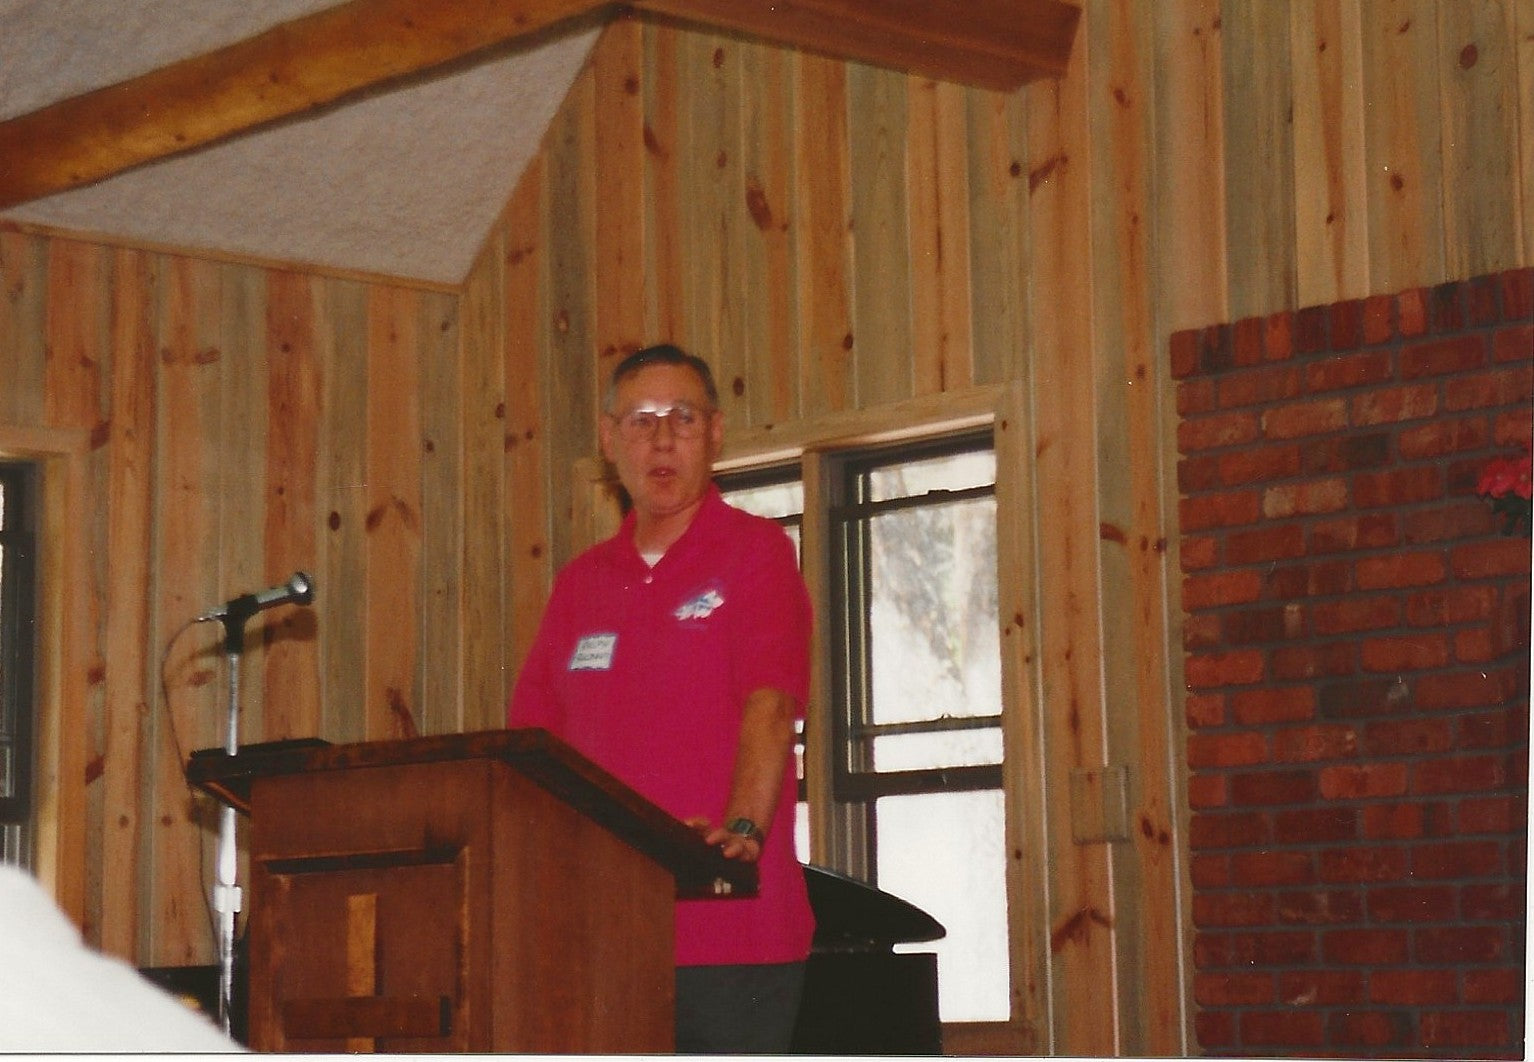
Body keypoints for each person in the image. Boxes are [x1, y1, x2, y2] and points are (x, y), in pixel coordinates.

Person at [507, 343, 814, 1053]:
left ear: (714, 432)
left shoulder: (757, 552)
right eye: (642, 421)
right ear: (610, 441)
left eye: (682, 416)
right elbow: (532, 753)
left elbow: (770, 708)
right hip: (600, 937)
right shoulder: (581, 584)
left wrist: (741, 833)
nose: (664, 437)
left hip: (732, 937)